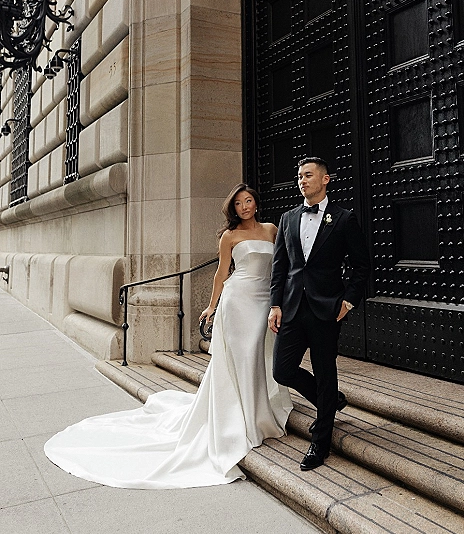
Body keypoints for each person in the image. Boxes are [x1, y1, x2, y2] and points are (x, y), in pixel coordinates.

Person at [44, 184, 292, 489]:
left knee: (260, 355)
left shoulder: (271, 229)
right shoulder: (230, 236)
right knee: (243, 356)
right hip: (238, 301)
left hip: (264, 300)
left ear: (256, 203)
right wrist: (212, 306)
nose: (245, 206)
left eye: (249, 201)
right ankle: (246, 419)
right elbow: (221, 273)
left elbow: (282, 266)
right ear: (233, 208)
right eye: (239, 203)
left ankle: (259, 409)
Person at [268, 157, 370, 471]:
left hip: (327, 309)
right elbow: (280, 266)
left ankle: (321, 442)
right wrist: (275, 304)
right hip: (293, 307)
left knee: (326, 372)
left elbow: (362, 266)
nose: (302, 180)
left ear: (325, 180)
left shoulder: (343, 219)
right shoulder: (287, 218)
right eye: (299, 176)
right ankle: (331, 402)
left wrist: (349, 301)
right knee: (282, 370)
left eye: (308, 175)